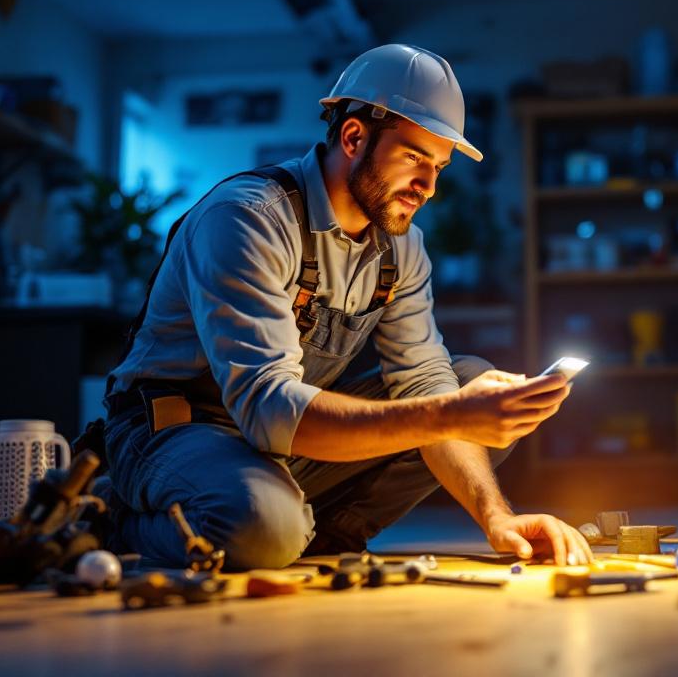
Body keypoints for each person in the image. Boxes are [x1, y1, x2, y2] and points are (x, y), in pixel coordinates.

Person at [92, 44, 592, 570]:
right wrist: (449, 415)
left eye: (439, 167)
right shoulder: (247, 220)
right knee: (262, 525)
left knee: (465, 381)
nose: (428, 188)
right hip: (172, 432)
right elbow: (268, 408)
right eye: (414, 159)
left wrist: (496, 516)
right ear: (354, 137)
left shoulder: (401, 248)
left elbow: (423, 383)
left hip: (274, 444)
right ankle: (110, 517)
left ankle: (314, 538)